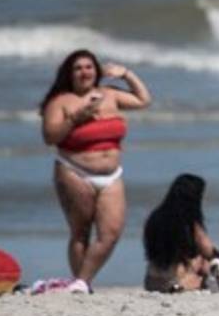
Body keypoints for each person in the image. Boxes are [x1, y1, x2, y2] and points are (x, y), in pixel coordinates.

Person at [39, 50, 152, 293]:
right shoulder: (60, 101)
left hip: (111, 175)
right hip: (74, 170)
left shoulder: (109, 95)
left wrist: (126, 74)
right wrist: (77, 117)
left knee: (110, 233)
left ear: (96, 71)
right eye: (78, 68)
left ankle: (81, 281)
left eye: (88, 67)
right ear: (70, 74)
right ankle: (83, 285)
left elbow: (144, 100)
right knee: (81, 232)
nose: (84, 72)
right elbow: (50, 137)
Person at [143, 174, 218, 292]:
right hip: (178, 279)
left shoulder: (155, 217)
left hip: (152, 280)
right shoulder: (188, 223)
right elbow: (209, 250)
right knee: (204, 260)